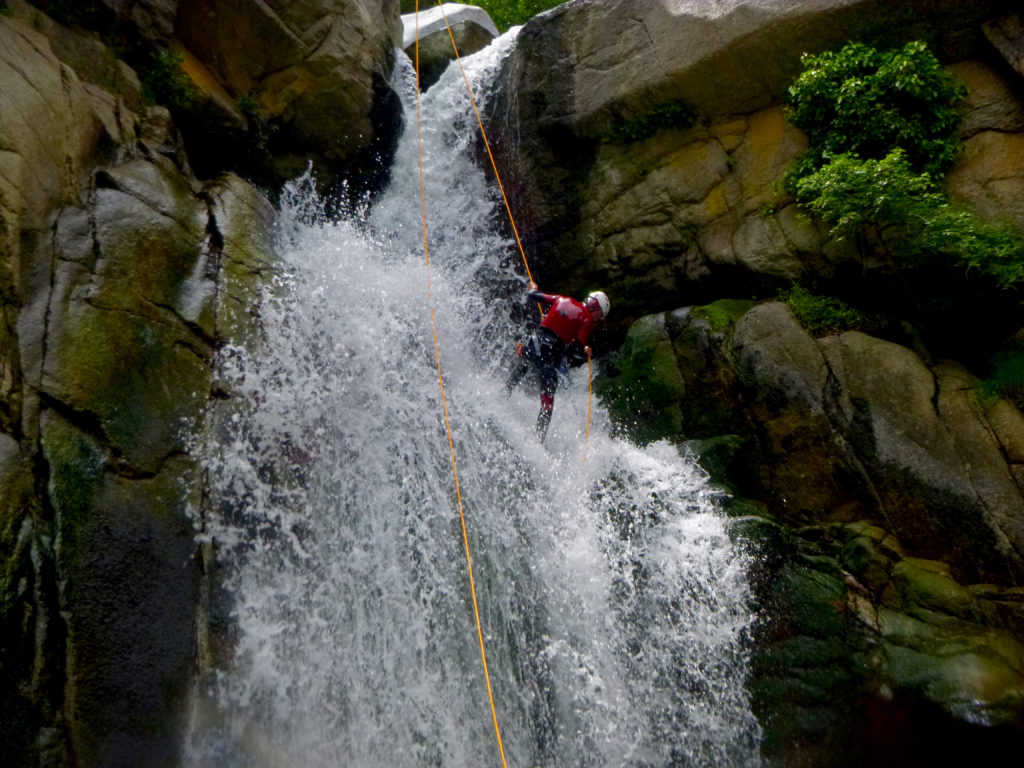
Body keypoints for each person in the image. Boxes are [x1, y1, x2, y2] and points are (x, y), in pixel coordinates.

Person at [505, 281, 611, 441]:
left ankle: (503, 393)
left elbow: (532, 295)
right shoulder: (587, 319)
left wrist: (533, 288)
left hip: (534, 342)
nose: (597, 319)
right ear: (595, 307)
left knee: (526, 364)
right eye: (599, 315)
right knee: (547, 401)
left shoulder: (562, 299)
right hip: (548, 352)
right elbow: (574, 353)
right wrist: (584, 350)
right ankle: (538, 440)